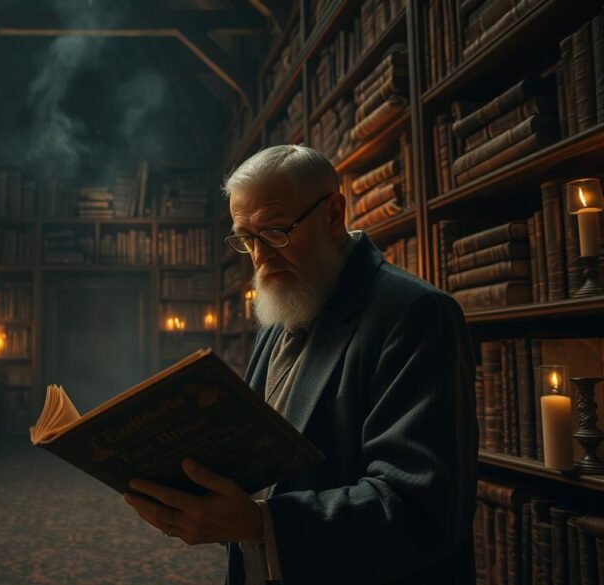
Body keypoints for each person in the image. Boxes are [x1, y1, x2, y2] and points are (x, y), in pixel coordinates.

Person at [123, 144, 478, 585]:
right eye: (245, 239)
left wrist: (257, 524)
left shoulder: (417, 313)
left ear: (333, 214)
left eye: (274, 231)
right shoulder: (286, 302)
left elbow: (419, 507)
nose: (260, 257)